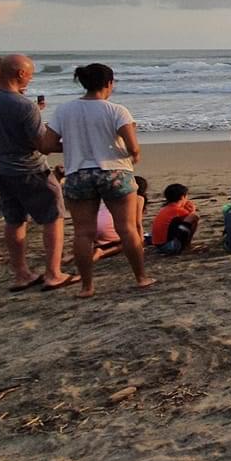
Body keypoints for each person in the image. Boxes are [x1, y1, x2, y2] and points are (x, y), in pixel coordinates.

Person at [0, 54, 73, 291]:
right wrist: (75, 143)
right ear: (20, 74)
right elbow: (42, 145)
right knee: (53, 217)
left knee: (14, 218)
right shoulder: (23, 105)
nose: (30, 78)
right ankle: (53, 273)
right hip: (28, 168)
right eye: (30, 74)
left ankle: (21, 274)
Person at [42, 63, 151, 297]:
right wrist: (134, 154)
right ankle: (141, 277)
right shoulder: (116, 110)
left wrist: (75, 146)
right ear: (109, 83)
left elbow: (47, 145)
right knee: (127, 228)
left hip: (78, 172)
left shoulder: (64, 111)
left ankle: (87, 286)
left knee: (83, 233)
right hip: (114, 171)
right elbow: (133, 146)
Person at [152, 183, 200, 254]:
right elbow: (191, 217)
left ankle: (182, 244)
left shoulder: (165, 209)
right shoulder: (178, 210)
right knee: (194, 217)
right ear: (182, 197)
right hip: (169, 246)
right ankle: (187, 245)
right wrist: (192, 210)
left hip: (158, 245)